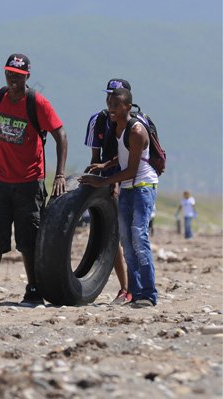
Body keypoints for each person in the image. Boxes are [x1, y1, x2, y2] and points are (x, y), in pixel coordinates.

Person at [0, 53, 68, 308]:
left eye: (17, 76)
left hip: (29, 181)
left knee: (29, 238)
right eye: (9, 74)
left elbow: (61, 135)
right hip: (0, 180)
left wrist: (59, 174)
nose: (12, 79)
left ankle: (34, 289)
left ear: (27, 76)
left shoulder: (37, 103)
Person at [80, 87, 158, 308]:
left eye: (115, 105)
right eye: (109, 104)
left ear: (127, 107)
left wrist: (102, 181)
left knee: (139, 238)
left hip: (142, 187)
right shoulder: (119, 127)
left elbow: (132, 169)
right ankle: (134, 292)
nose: (110, 109)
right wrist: (106, 164)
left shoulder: (136, 131)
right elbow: (123, 156)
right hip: (127, 187)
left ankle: (149, 294)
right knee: (126, 241)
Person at [83, 78, 133, 305]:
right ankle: (125, 288)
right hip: (106, 180)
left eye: (116, 98)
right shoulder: (98, 120)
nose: (111, 103)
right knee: (110, 238)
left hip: (130, 182)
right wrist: (99, 182)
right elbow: (96, 158)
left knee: (130, 238)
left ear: (126, 102)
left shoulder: (136, 124)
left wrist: (116, 183)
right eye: (108, 97)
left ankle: (133, 289)